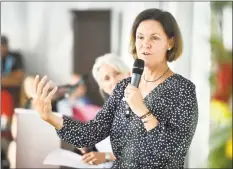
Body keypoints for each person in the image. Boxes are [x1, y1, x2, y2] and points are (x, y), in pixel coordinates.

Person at [31, 8, 199, 169]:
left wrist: (142, 110)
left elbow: (172, 153)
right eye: (140, 37)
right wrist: (49, 117)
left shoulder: (183, 90)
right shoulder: (123, 87)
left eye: (154, 38)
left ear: (170, 42)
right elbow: (91, 133)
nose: (145, 44)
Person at [76, 53, 130, 167]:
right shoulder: (107, 113)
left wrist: (106, 156)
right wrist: (88, 149)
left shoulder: (141, 105)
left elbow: (146, 148)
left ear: (129, 75)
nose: (114, 81)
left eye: (117, 73)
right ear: (102, 87)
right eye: (106, 78)